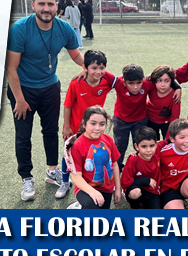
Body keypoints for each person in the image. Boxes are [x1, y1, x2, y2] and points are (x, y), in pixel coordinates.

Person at [7, 0, 85, 201]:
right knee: (23, 136)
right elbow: (11, 68)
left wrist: (91, 67)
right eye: (41, 4)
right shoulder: (20, 29)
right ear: (33, 6)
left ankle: (52, 172)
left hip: (50, 87)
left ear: (56, 6)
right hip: (22, 89)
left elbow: (76, 55)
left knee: (50, 131)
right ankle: (26, 178)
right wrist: (20, 99)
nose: (46, 8)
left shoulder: (64, 28)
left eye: (50, 4)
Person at [59, 50, 116, 198]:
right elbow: (67, 105)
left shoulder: (105, 83)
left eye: (102, 68)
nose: (98, 71)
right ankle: (65, 182)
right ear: (86, 68)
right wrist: (67, 126)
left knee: (92, 156)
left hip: (94, 129)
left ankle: (97, 183)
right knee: (69, 155)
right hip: (75, 128)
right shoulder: (76, 83)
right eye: (94, 68)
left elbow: (121, 81)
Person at [65, 106, 121, 209]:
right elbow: (76, 176)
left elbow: (115, 164)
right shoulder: (77, 145)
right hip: (85, 189)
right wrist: (92, 192)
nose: (97, 128)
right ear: (84, 123)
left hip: (106, 189)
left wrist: (117, 188)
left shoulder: (108, 139)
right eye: (93, 123)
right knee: (92, 208)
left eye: (102, 124)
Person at [157, 119, 188, 209]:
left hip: (187, 182)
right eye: (182, 137)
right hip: (169, 188)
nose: (187, 141)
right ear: (172, 139)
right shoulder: (163, 152)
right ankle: (179, 202)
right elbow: (149, 152)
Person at [112, 64, 151, 169]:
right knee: (120, 146)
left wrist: (177, 87)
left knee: (141, 145)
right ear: (124, 82)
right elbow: (104, 75)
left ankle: (140, 168)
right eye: (131, 83)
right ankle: (117, 168)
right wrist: (84, 70)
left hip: (140, 120)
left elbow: (167, 75)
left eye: (139, 83)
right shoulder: (119, 84)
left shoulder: (147, 84)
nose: (135, 87)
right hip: (120, 120)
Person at [120, 127, 161, 209]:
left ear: (156, 144)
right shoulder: (132, 160)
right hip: (136, 187)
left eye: (152, 146)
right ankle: (136, 207)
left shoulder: (158, 150)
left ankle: (145, 203)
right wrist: (146, 180)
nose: (148, 150)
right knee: (135, 193)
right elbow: (124, 182)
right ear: (136, 146)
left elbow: (169, 140)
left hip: (152, 190)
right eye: (144, 146)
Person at [147, 65, 181, 140]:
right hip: (150, 119)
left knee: (167, 143)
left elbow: (175, 117)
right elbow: (139, 84)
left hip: (166, 123)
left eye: (166, 81)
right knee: (150, 142)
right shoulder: (151, 87)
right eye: (159, 80)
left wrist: (169, 136)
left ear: (171, 81)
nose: (162, 85)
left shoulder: (175, 95)